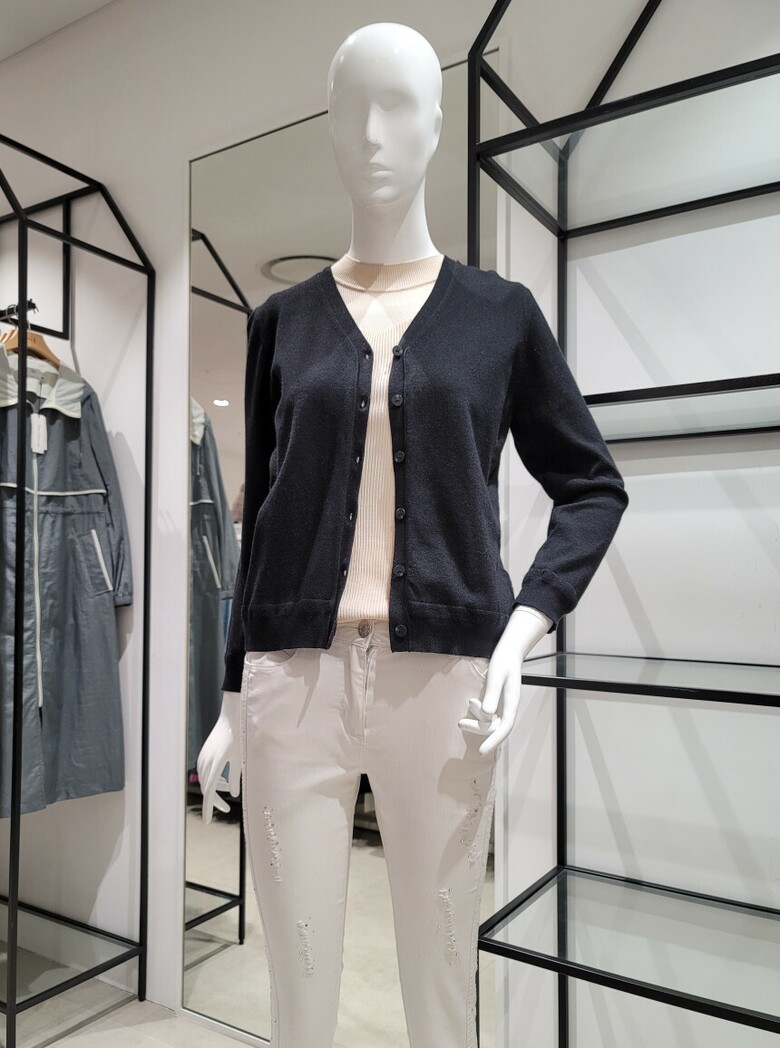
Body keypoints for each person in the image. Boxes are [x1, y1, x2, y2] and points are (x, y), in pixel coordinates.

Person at [198, 22, 628, 1048]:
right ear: (328, 128)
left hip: (444, 687)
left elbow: (591, 486)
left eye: (396, 107)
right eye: (351, 110)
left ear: (438, 123)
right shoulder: (281, 321)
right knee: (298, 986)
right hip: (290, 682)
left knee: (439, 982)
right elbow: (266, 523)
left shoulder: (500, 316)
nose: (371, 134)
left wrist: (521, 630)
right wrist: (229, 698)